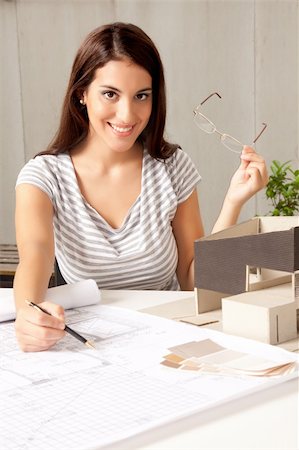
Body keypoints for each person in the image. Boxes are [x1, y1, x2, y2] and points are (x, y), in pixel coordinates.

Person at [14, 22, 268, 352]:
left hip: (169, 340)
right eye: (110, 94)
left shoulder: (173, 167)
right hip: (89, 348)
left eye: (141, 96)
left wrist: (233, 203)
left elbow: (195, 279)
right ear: (82, 93)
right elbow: (35, 256)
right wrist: (28, 315)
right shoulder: (44, 176)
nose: (127, 115)